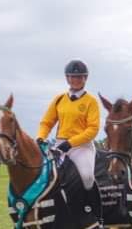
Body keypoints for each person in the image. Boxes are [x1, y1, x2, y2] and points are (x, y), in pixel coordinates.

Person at [36, 59, 101, 194]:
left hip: (82, 146)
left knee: (87, 177)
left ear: (85, 78)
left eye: (79, 77)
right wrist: (41, 137)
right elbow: (47, 122)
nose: (75, 80)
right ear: (67, 78)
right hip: (60, 145)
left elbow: (93, 129)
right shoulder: (59, 99)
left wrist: (71, 143)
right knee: (45, 175)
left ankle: (90, 210)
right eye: (72, 76)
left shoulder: (91, 101)